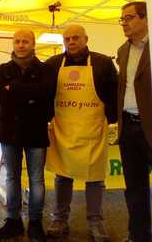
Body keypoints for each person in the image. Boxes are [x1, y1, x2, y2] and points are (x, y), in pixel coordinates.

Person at [45, 25, 118, 242]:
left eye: (76, 38)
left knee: (95, 178)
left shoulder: (103, 63)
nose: (71, 42)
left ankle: (96, 221)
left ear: (86, 39)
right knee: (62, 176)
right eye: (67, 38)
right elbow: (45, 94)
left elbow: (114, 94)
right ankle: (60, 220)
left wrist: (112, 120)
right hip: (63, 130)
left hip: (93, 129)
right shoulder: (53, 64)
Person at [0, 30, 53, 242]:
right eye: (17, 41)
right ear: (13, 43)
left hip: (36, 130)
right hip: (9, 131)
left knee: (37, 179)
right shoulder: (3, 69)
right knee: (11, 177)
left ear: (33, 44)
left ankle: (35, 222)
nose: (21, 45)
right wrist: (29, 93)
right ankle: (13, 220)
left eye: (25, 41)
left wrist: (14, 88)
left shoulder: (45, 69)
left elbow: (46, 93)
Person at [117, 1, 152, 242]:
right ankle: (138, 235)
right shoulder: (123, 50)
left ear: (146, 19)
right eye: (122, 19)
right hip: (128, 126)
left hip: (150, 126)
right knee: (135, 187)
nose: (124, 23)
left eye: (129, 18)